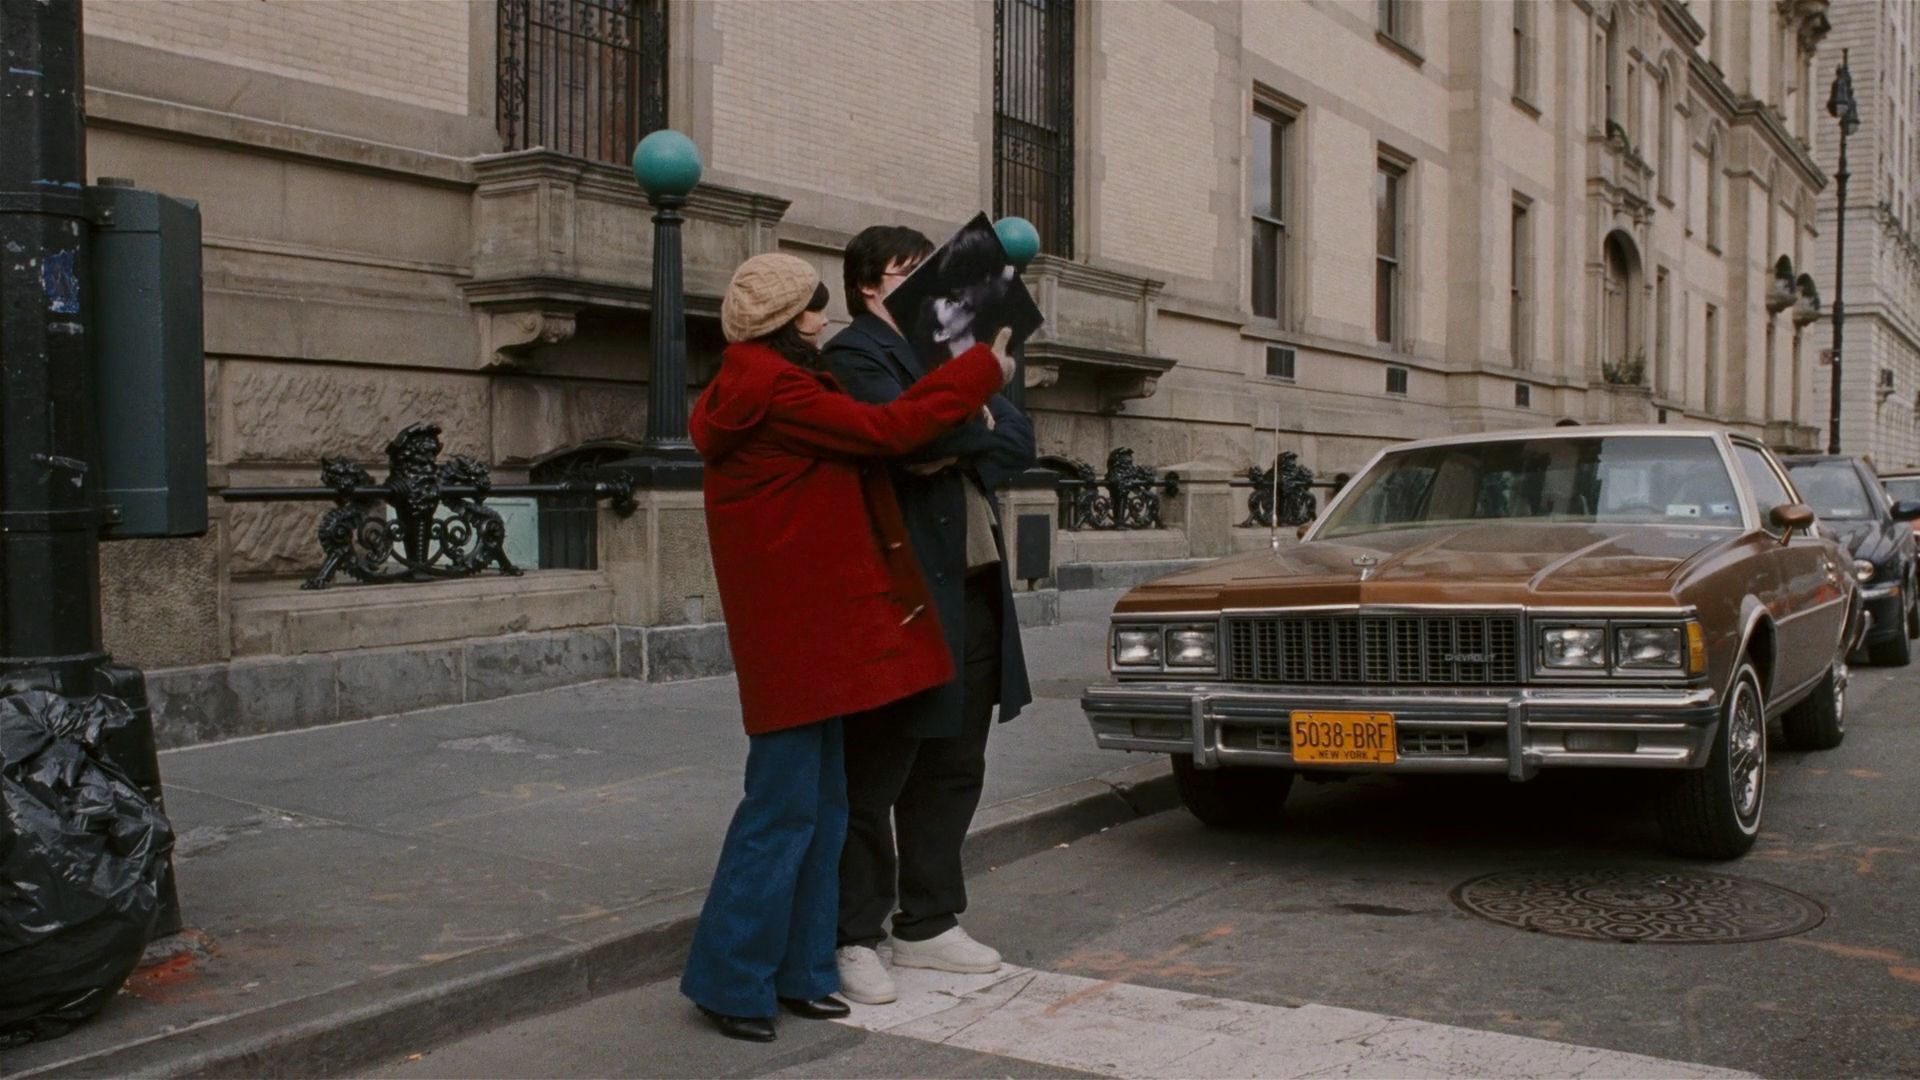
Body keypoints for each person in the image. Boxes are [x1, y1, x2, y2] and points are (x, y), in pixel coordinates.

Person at [679, 252, 1015, 1043]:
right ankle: (729, 979)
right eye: (812, 305)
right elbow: (887, 430)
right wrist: (979, 370)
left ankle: (803, 971)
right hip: (796, 636)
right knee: (781, 811)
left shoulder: (778, 383)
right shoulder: (779, 389)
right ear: (782, 321)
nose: (822, 315)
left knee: (824, 809)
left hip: (818, 631)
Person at [823, 226, 1037, 1007]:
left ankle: (928, 921)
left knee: (954, 764)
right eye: (908, 272)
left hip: (974, 585)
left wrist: (959, 433)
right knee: (879, 767)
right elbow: (904, 439)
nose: (930, 286)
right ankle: (854, 932)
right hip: (906, 593)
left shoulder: (951, 356)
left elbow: (1019, 441)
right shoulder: (854, 355)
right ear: (868, 285)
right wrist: (959, 428)